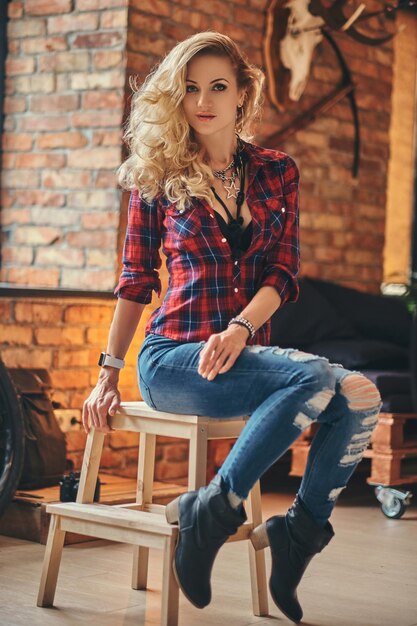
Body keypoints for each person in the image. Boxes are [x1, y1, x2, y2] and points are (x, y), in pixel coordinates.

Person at [82, 31, 383, 624]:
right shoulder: (157, 176)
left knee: (361, 399)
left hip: (245, 355)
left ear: (243, 93)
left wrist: (243, 328)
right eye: (190, 88)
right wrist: (108, 374)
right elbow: (135, 282)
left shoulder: (277, 172)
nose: (203, 101)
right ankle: (214, 510)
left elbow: (284, 273)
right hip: (173, 359)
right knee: (314, 379)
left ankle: (298, 533)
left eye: (219, 86)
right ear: (175, 96)